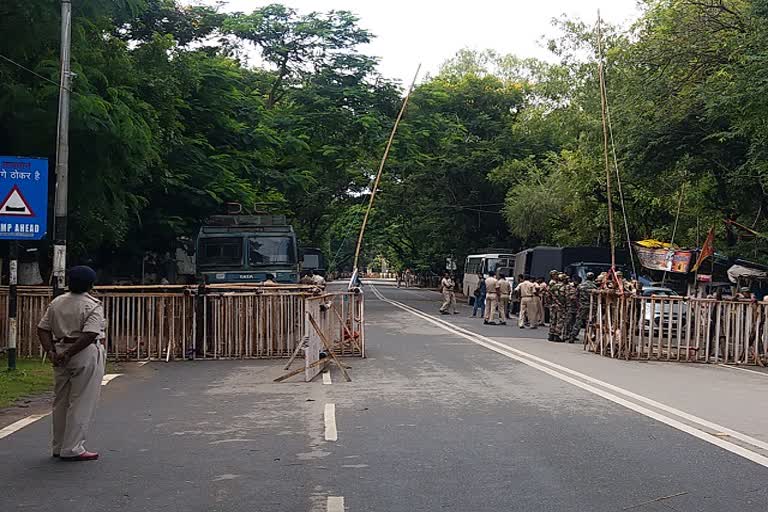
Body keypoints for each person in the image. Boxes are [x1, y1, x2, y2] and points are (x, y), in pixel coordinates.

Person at [37, 266, 106, 461]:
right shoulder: (92, 305)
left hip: (59, 351)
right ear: (91, 285)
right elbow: (90, 333)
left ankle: (58, 446)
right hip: (83, 353)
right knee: (82, 401)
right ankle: (73, 447)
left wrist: (52, 351)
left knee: (61, 401)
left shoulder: (57, 302)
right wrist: (69, 353)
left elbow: (42, 329)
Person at [572, 272, 598, 342]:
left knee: (578, 321)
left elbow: (575, 296)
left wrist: (578, 304)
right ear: (593, 277)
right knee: (592, 321)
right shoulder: (595, 286)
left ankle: (573, 336)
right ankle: (591, 336)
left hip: (582, 305)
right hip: (592, 306)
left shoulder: (580, 286)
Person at [563, 276, 581, 343]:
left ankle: (573, 335)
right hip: (569, 306)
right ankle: (566, 334)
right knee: (568, 321)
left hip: (577, 307)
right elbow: (566, 295)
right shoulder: (569, 287)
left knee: (575, 322)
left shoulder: (580, 287)